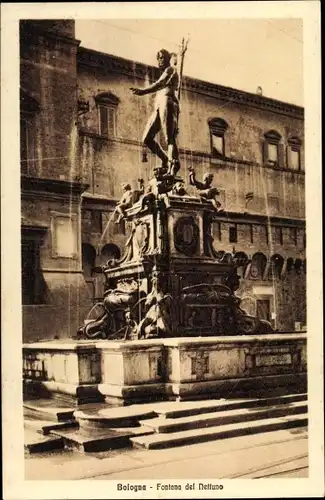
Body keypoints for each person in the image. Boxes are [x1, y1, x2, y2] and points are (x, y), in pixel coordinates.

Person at [130, 49, 180, 176]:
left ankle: (174, 164)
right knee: (146, 138)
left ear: (168, 58)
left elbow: (160, 84)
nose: (159, 61)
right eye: (158, 58)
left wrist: (143, 91)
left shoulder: (171, 70)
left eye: (162, 58)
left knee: (169, 138)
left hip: (167, 102)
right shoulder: (167, 72)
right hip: (160, 106)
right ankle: (165, 159)